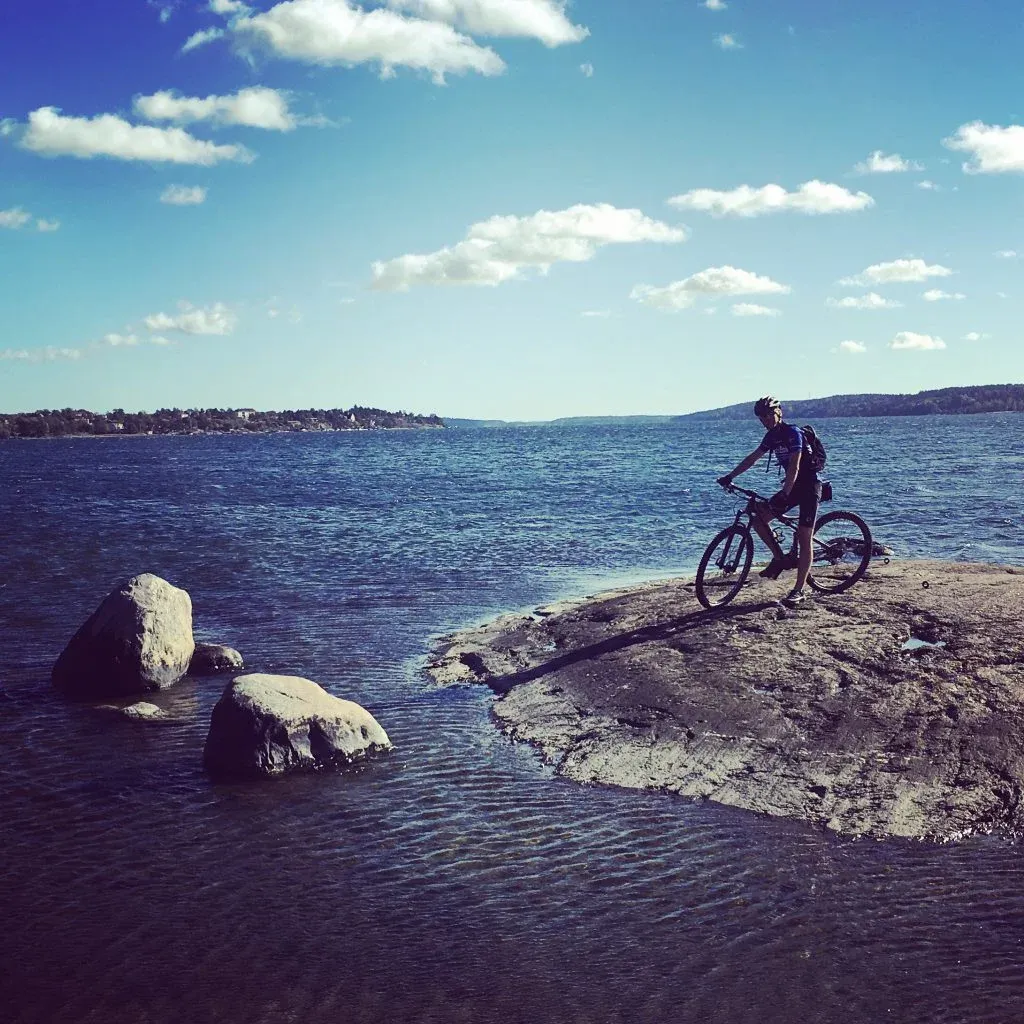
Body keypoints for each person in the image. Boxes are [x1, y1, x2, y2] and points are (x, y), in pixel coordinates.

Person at [716, 396, 821, 607]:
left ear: (779, 412)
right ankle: (780, 558)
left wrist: (785, 492)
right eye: (761, 417)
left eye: (768, 415)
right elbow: (752, 458)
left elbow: (795, 465)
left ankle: (799, 590)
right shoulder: (772, 437)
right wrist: (730, 476)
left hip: (809, 487)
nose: (765, 420)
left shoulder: (793, 433)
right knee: (758, 518)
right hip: (790, 488)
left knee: (803, 536)